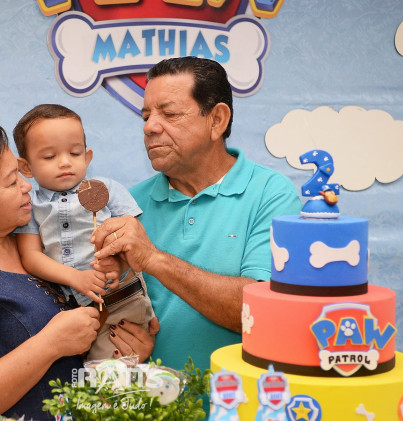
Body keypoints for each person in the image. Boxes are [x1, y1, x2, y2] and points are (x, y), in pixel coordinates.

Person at [0, 123, 153, 420]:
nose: (27, 186)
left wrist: (122, 349)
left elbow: (80, 333)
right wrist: (51, 344)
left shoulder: (37, 243)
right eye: (11, 182)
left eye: (20, 175)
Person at [92, 57, 302, 373]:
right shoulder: (129, 205)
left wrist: (153, 258)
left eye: (169, 114)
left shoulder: (270, 194)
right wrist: (126, 348)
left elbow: (263, 312)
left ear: (217, 120)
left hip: (241, 400)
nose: (149, 127)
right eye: (146, 116)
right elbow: (101, 311)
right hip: (155, 400)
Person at [12, 104, 156, 361]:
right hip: (71, 306)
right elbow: (31, 257)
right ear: (26, 167)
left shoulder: (107, 189)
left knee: (107, 369)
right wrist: (75, 278)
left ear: (87, 157)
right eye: (49, 156)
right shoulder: (31, 205)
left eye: (75, 153)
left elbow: (135, 238)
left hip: (122, 297)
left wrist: (118, 262)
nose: (65, 162)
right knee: (79, 369)